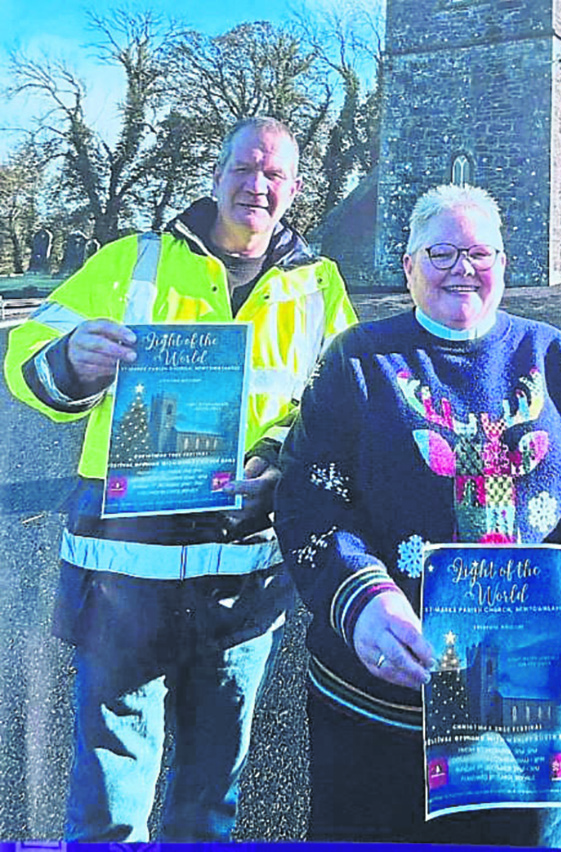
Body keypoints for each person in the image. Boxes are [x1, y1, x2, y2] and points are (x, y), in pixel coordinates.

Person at [273, 184, 561, 848]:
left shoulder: (555, 359)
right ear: (408, 265)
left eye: (479, 253)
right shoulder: (356, 361)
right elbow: (309, 497)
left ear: (503, 264)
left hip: (525, 715)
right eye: (441, 253)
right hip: (376, 710)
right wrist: (363, 600)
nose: (462, 268)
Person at [4, 116, 357, 841]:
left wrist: (281, 456)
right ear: (216, 175)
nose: (256, 185)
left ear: (294, 189)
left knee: (210, 796)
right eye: (243, 167)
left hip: (240, 576)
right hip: (126, 570)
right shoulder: (130, 262)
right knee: (110, 798)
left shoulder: (320, 286)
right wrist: (71, 359)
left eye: (274, 174)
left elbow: (338, 406)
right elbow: (25, 352)